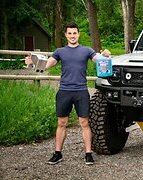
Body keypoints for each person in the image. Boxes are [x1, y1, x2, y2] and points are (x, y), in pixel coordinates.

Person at [25, 22, 111, 165]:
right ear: (66, 35)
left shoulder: (86, 50)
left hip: (81, 92)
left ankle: (88, 154)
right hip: (64, 91)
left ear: (78, 34)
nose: (72, 36)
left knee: (84, 123)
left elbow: (100, 60)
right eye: (69, 33)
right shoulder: (60, 51)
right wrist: (31, 64)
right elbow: (45, 66)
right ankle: (58, 153)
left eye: (74, 33)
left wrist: (106, 55)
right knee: (61, 122)